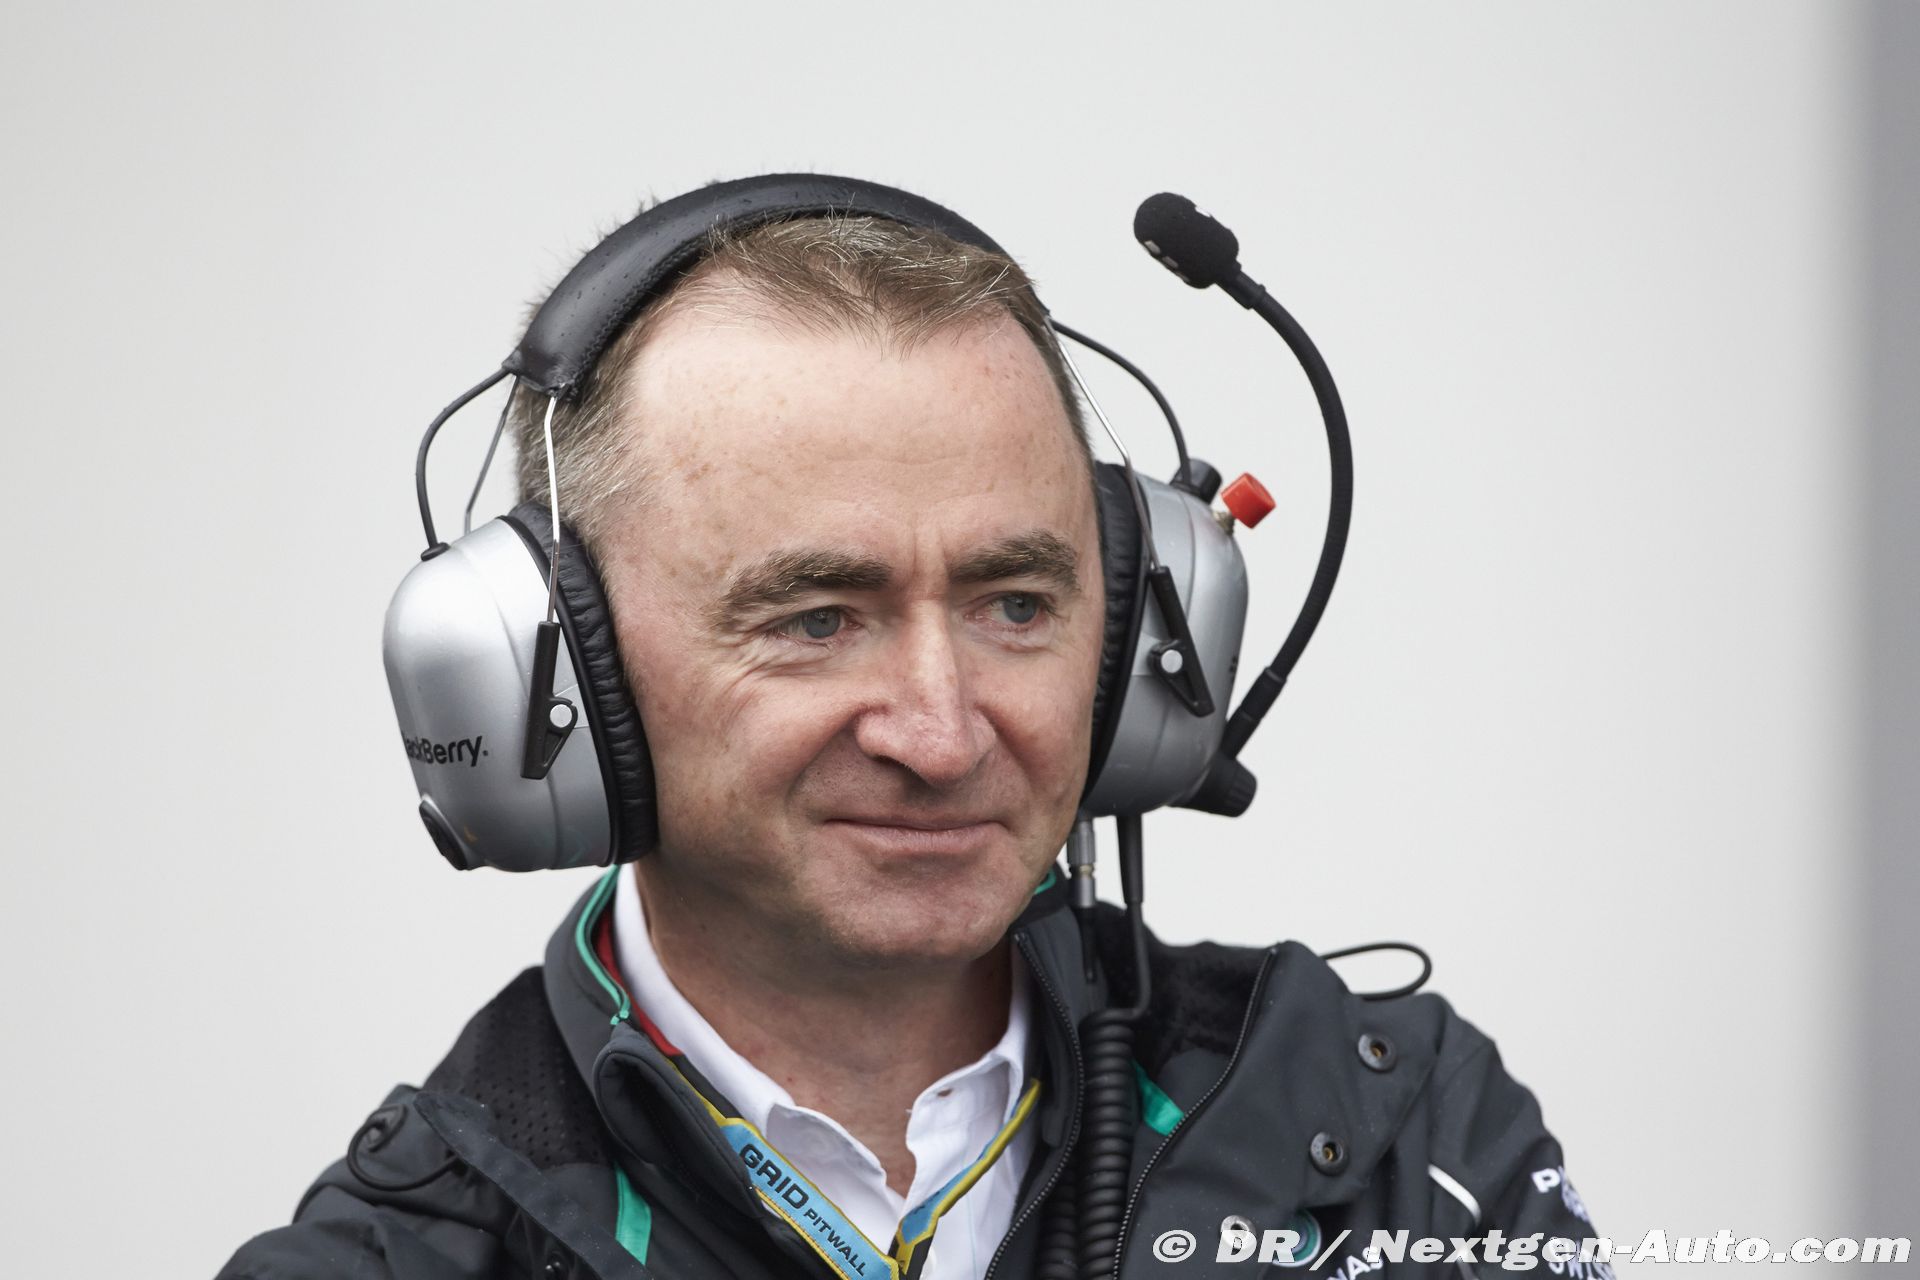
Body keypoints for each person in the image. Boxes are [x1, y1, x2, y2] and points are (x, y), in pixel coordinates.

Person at [219, 177, 1602, 1280]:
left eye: (1016, 605)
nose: (942, 738)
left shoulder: (1402, 1143)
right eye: (816, 618)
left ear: (1141, 636)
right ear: (556, 672)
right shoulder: (392, 1259)